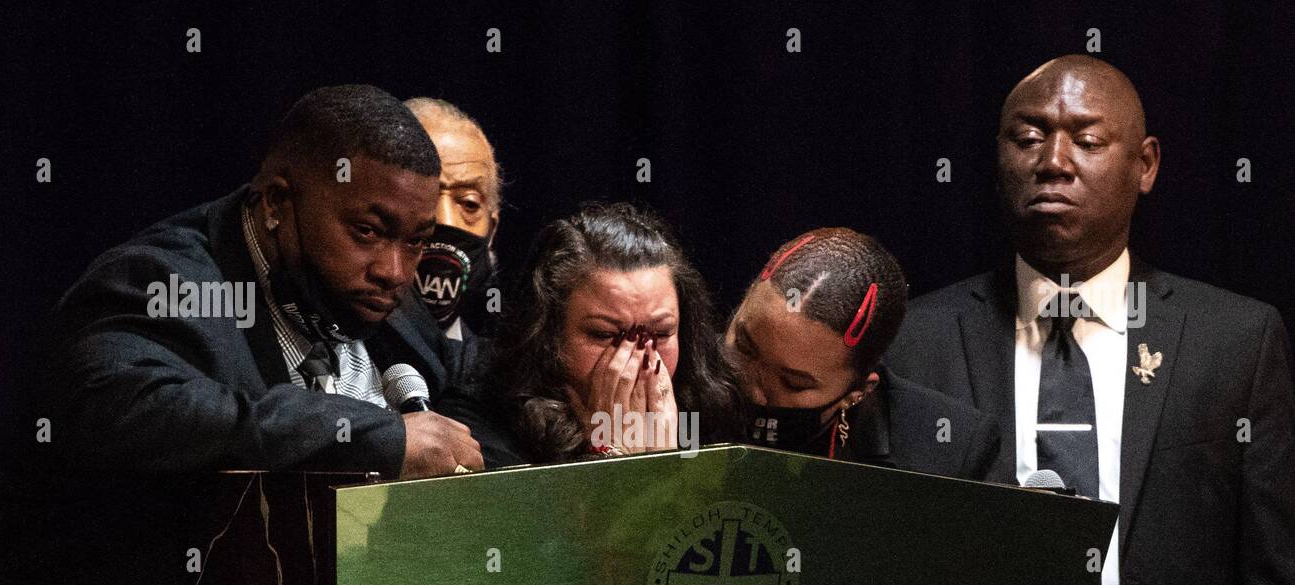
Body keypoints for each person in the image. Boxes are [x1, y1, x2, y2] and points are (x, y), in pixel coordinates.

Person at [884, 55, 1295, 585]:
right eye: (1028, 136)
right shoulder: (916, 343)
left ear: (1144, 165)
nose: (1053, 160)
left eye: (1085, 138)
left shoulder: (1234, 342)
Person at [37, 84, 483, 480]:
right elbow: (122, 405)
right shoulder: (169, 282)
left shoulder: (380, 283)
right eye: (366, 231)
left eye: (417, 241)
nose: (396, 272)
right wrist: (381, 438)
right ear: (277, 202)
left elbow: (473, 381)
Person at [437, 202, 742, 465]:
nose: (635, 359)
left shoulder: (711, 415)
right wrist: (617, 457)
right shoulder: (478, 416)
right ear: (547, 337)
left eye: (661, 333)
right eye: (604, 334)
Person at [725, 227, 1007, 481]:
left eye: (793, 383)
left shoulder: (954, 454)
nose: (753, 390)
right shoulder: (686, 385)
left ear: (859, 390)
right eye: (744, 347)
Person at [403, 97, 505, 380]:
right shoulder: (331, 360)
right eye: (426, 194)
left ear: (492, 232)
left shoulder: (502, 382)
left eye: (470, 204)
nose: (446, 221)